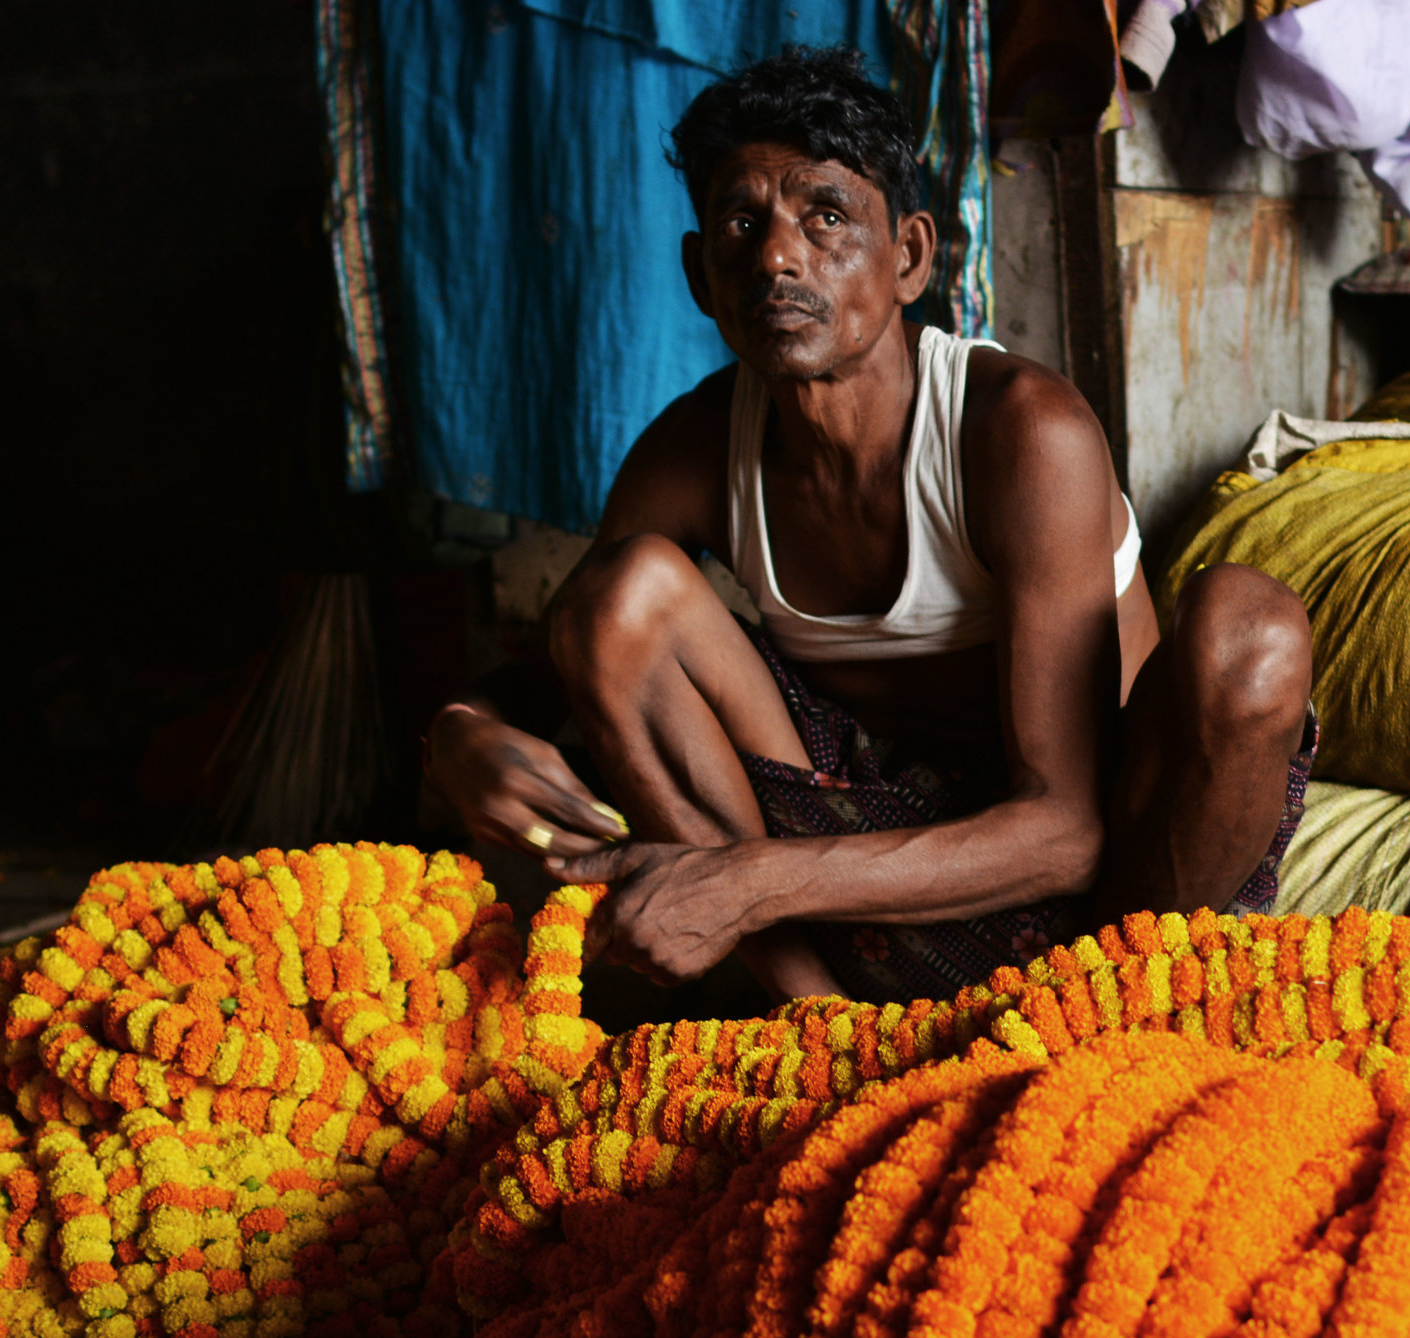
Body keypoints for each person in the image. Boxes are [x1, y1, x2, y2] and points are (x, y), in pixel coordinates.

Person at [426, 46, 1316, 1005]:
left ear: (911, 258)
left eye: (826, 216)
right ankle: (818, 1025)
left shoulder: (1020, 431)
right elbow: (556, 662)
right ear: (699, 274)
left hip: (1096, 889)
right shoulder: (692, 450)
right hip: (852, 890)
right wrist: (459, 731)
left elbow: (1066, 828)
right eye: (740, 221)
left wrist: (747, 882)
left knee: (1252, 632)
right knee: (617, 598)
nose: (776, 255)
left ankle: (1119, 1012)